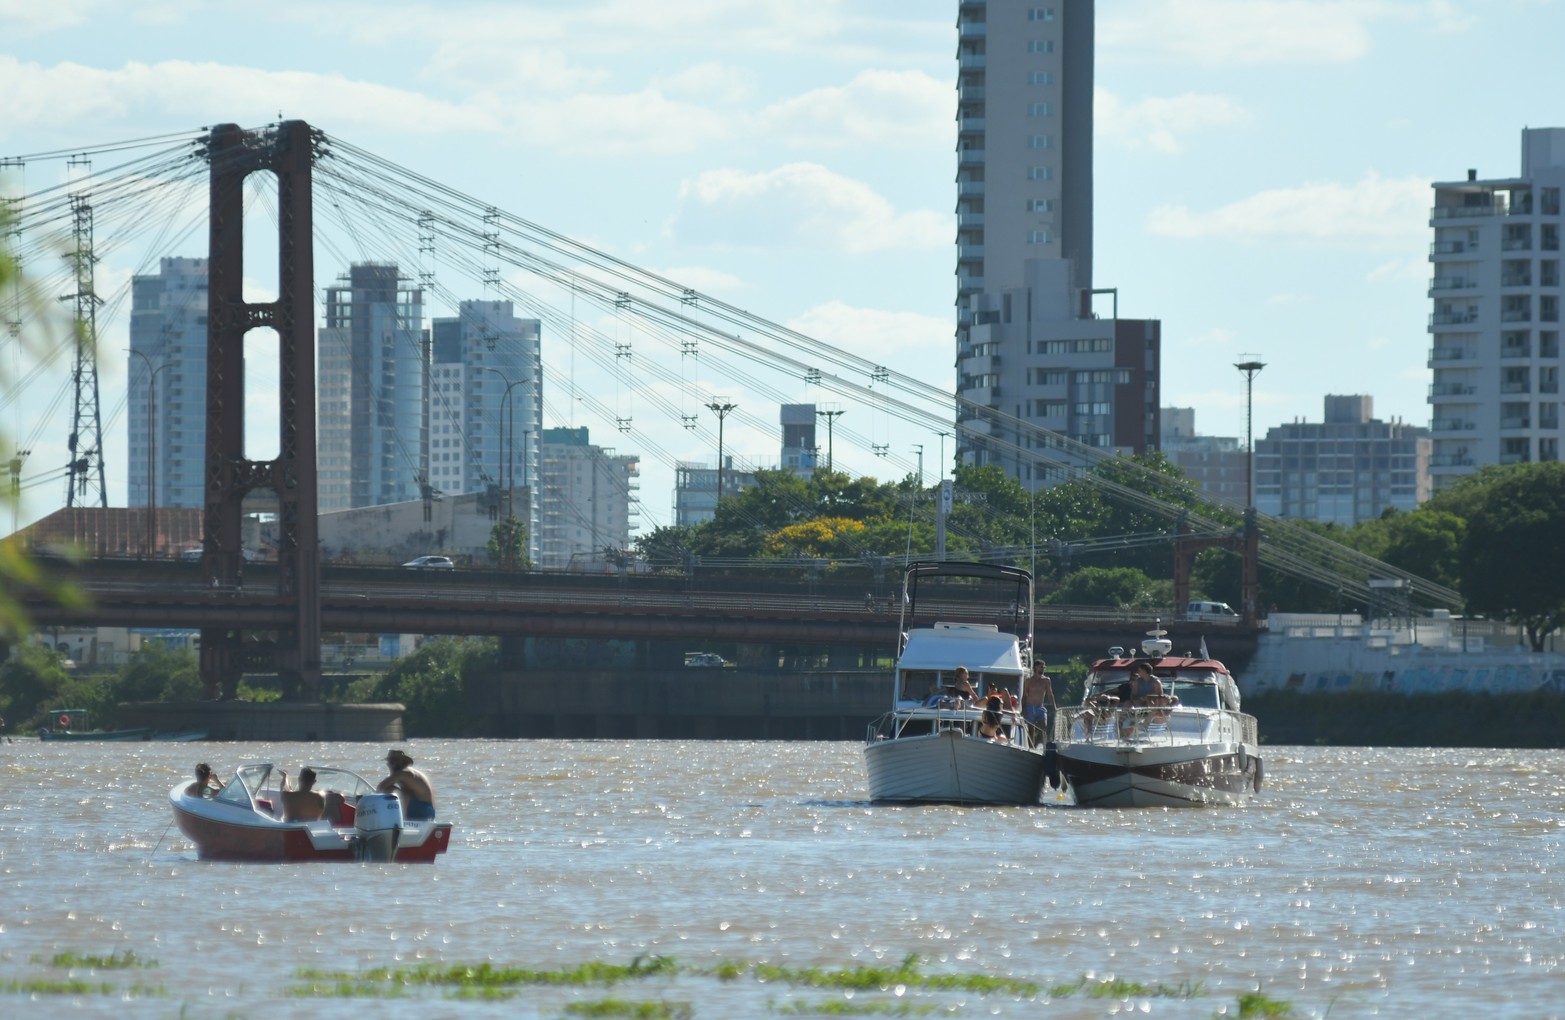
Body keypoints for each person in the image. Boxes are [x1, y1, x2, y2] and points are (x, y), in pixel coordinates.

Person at [378, 749, 437, 821]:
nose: (390, 764)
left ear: (401, 762)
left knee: (390, 789)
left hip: (422, 811)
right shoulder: (412, 772)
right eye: (390, 761)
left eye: (393, 761)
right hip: (429, 812)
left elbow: (381, 787)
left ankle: (401, 820)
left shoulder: (403, 773)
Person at [1023, 660, 1057, 739]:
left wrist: (1054, 707)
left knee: (1044, 727)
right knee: (1031, 730)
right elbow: (1024, 695)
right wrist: (1023, 708)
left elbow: (1050, 694)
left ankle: (1039, 742)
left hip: (1039, 707)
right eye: (1041, 667)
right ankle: (1032, 747)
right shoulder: (1029, 681)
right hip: (1029, 706)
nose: (1043, 669)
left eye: (1044, 668)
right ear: (1036, 667)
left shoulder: (1046, 680)